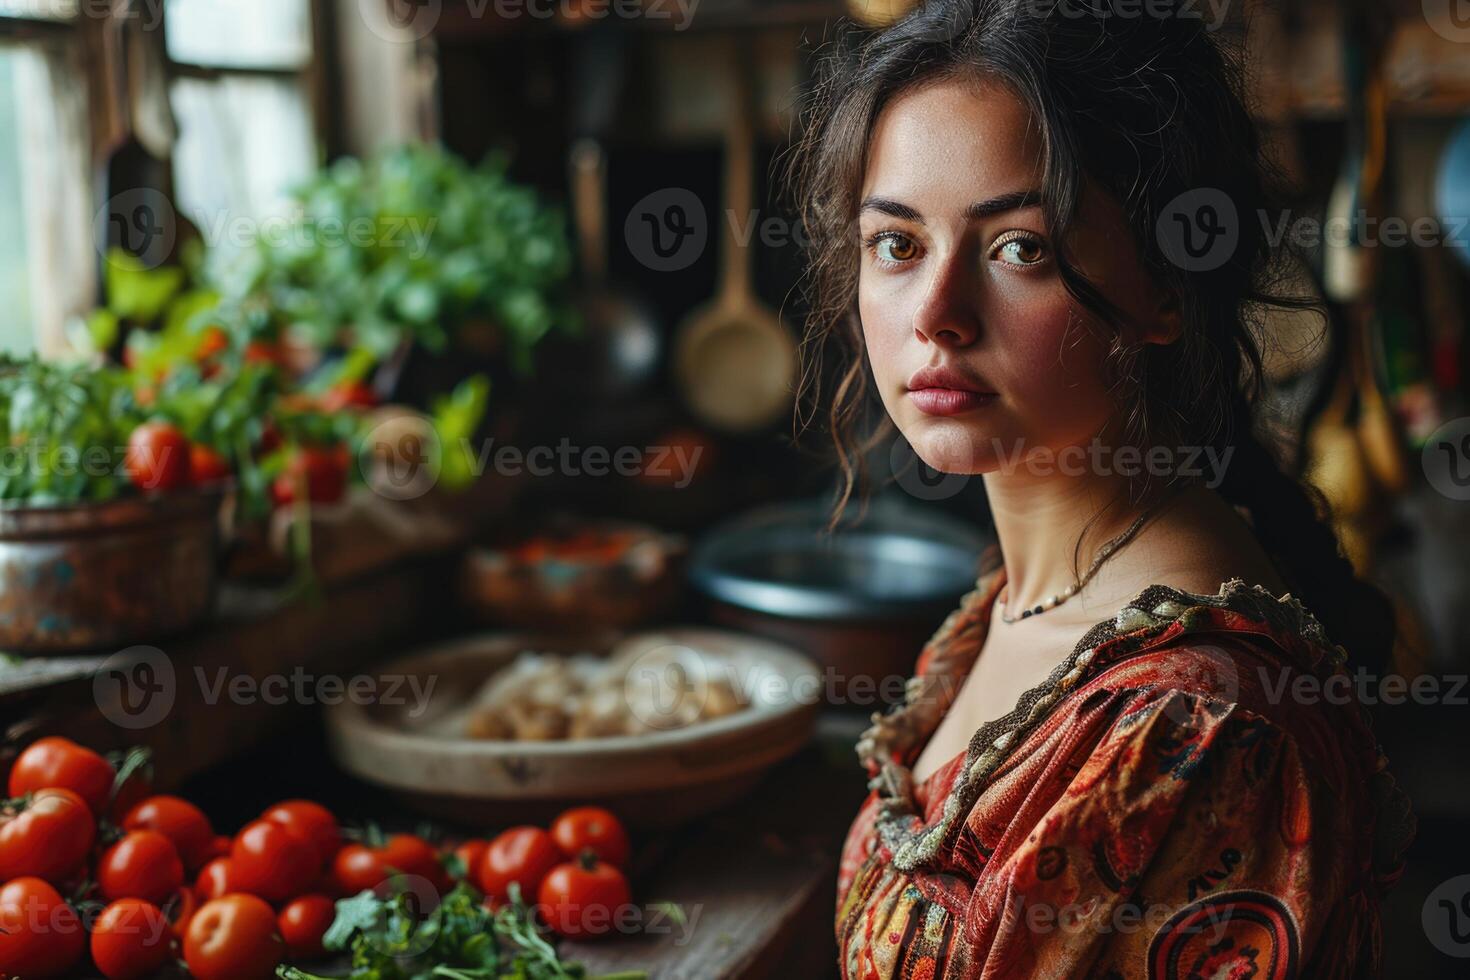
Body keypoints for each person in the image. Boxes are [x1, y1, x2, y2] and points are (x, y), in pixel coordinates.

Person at [785, 1, 1417, 976]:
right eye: (898, 244)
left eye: (1020, 248)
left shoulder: (1197, 728)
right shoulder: (1032, 593)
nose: (938, 315)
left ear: (1166, 287)